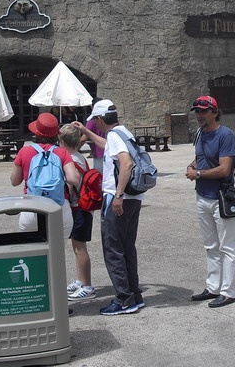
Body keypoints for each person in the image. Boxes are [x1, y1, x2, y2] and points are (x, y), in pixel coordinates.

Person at [87, 99, 145, 316]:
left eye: (95, 121)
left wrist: (118, 195)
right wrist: (86, 131)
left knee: (113, 249)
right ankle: (134, 295)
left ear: (100, 119)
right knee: (127, 247)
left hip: (118, 198)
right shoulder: (123, 132)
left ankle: (124, 299)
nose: (95, 124)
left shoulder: (113, 135)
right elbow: (108, 146)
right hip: (134, 198)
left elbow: (126, 163)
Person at [185, 95, 235, 308]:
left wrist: (198, 174)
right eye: (197, 111)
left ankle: (228, 291)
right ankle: (213, 287)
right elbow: (200, 157)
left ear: (215, 112)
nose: (199, 115)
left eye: (203, 111)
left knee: (227, 247)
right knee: (210, 246)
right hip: (202, 196)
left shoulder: (225, 135)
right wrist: (192, 166)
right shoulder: (200, 133)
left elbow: (225, 169)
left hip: (221, 197)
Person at [10, 112, 81, 240]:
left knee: (31, 251)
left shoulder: (25, 151)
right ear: (56, 134)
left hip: (31, 209)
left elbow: (14, 181)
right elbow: (73, 179)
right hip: (59, 208)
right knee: (58, 250)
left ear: (36, 132)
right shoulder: (62, 152)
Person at [58, 123, 96, 302]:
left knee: (80, 248)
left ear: (63, 142)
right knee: (77, 246)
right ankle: (80, 280)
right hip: (83, 207)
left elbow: (70, 187)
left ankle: (87, 286)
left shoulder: (71, 160)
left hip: (79, 207)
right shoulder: (79, 156)